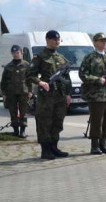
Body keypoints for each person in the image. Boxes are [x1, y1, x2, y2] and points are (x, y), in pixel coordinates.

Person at [27, 30, 72, 159]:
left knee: (58, 122)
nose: (57, 42)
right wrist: (40, 82)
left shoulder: (61, 58)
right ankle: (45, 150)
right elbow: (30, 75)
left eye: (58, 40)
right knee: (44, 122)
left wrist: (68, 94)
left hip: (60, 96)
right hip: (46, 96)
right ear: (47, 40)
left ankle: (54, 147)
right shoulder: (39, 57)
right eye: (54, 39)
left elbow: (66, 77)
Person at [79, 33, 106, 155]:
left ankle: (103, 144)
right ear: (95, 42)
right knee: (97, 121)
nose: (104, 43)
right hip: (95, 95)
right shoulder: (89, 57)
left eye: (105, 41)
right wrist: (97, 79)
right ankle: (94, 146)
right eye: (101, 41)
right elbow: (82, 74)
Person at [1, 45, 33, 138]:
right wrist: (4, 94)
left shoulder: (26, 65)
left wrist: (30, 91)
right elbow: (3, 82)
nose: (16, 54)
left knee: (24, 112)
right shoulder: (8, 67)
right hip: (11, 93)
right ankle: (15, 130)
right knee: (13, 112)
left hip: (24, 92)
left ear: (21, 53)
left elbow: (30, 79)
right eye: (14, 53)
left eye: (17, 52)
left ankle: (22, 131)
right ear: (11, 53)